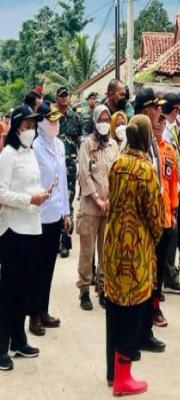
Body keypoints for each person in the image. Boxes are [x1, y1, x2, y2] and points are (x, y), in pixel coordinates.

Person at [103, 114, 164, 396]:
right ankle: (123, 379)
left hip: (113, 243)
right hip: (136, 248)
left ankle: (112, 371)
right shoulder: (146, 169)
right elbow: (155, 215)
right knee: (130, 311)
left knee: (114, 309)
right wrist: (154, 237)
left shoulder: (117, 164)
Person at [0, 105, 48, 371]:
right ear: (17, 127)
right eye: (28, 126)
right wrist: (30, 199)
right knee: (8, 292)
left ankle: (18, 339)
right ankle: (1, 345)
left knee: (23, 290)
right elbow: (2, 193)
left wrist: (42, 193)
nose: (32, 130)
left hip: (31, 227)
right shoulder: (8, 155)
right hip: (13, 231)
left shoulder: (29, 153)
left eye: (33, 126)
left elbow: (30, 185)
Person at [29, 102, 70, 337]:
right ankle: (33, 315)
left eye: (57, 120)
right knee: (36, 268)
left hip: (55, 214)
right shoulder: (35, 148)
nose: (55, 124)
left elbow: (62, 182)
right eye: (51, 120)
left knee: (49, 267)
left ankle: (43, 310)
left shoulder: (60, 146)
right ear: (41, 122)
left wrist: (66, 212)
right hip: (39, 216)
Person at [133, 87, 168, 353]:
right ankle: (139, 332)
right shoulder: (134, 143)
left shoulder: (154, 142)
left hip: (155, 221)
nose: (159, 112)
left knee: (152, 279)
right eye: (155, 108)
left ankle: (146, 329)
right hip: (140, 226)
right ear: (145, 110)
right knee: (141, 280)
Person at [76, 105, 119, 311]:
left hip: (108, 207)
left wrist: (110, 200)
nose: (103, 123)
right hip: (91, 207)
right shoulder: (87, 144)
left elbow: (116, 174)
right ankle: (84, 289)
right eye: (100, 119)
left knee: (106, 250)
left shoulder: (113, 145)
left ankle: (102, 288)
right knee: (87, 249)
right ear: (94, 121)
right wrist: (97, 199)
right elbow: (84, 174)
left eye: (106, 119)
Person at [149, 109, 179, 327]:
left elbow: (173, 183)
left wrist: (174, 211)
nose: (159, 124)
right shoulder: (145, 150)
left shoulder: (169, 150)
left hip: (166, 217)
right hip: (149, 219)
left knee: (159, 268)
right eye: (156, 120)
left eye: (162, 121)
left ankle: (155, 307)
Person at [159, 94, 180, 295]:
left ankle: (168, 274)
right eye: (177, 110)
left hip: (173, 189)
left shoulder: (174, 129)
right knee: (168, 237)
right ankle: (167, 276)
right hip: (163, 195)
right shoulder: (163, 131)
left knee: (172, 234)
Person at [56, 86, 83, 259]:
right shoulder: (52, 118)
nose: (65, 98)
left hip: (71, 164)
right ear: (57, 99)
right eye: (62, 96)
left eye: (66, 95)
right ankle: (57, 239)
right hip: (56, 165)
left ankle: (65, 242)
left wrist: (81, 166)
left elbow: (80, 142)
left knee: (68, 201)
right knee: (57, 201)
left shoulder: (76, 118)